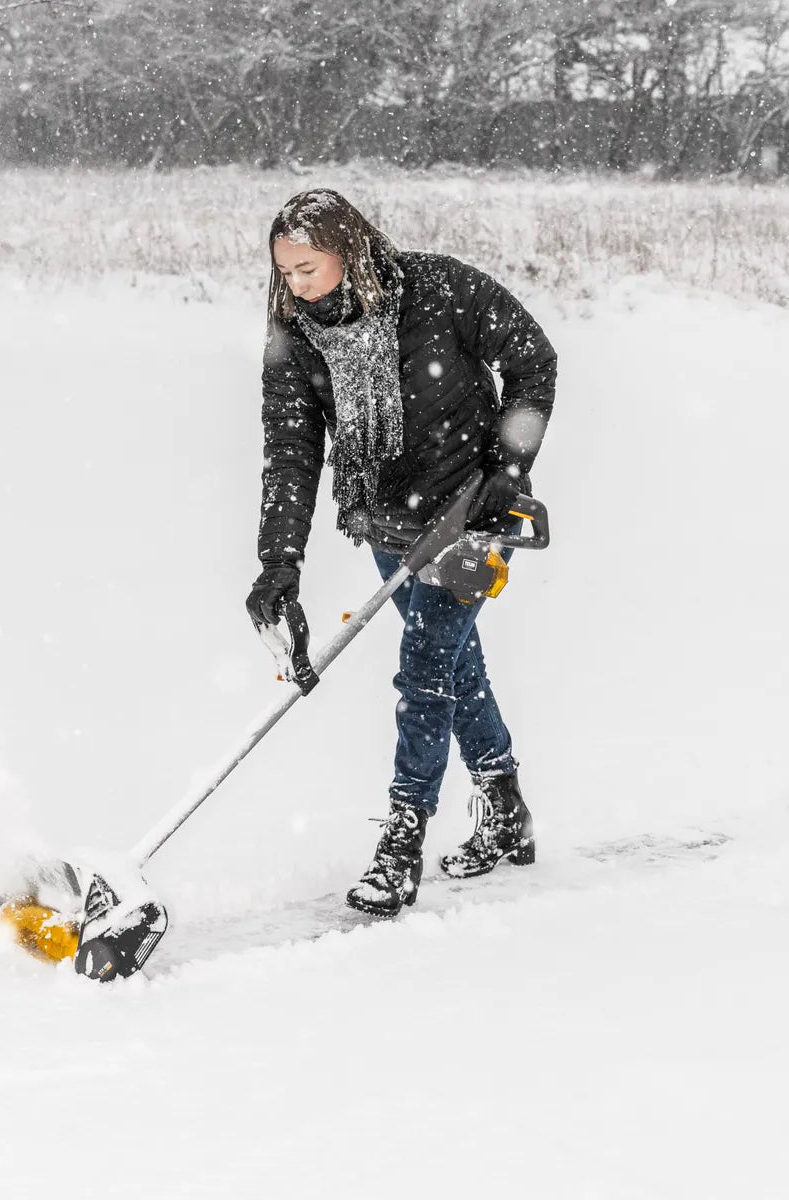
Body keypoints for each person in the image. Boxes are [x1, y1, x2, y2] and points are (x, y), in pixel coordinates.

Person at [245, 189, 557, 916]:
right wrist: (278, 566)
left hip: (468, 516)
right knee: (455, 665)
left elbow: (533, 360)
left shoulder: (439, 290)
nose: (296, 287)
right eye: (284, 272)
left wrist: (506, 473)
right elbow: (290, 453)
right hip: (387, 522)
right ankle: (503, 801)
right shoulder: (295, 339)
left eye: (309, 269)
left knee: (424, 668)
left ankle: (401, 840)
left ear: (348, 253)